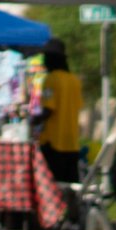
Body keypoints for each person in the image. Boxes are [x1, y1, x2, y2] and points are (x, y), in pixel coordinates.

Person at [38, 41, 85, 183]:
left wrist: (34, 120)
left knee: (53, 185)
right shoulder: (74, 80)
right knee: (70, 185)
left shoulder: (50, 79)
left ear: (51, 59)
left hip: (53, 143)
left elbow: (48, 109)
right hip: (71, 142)